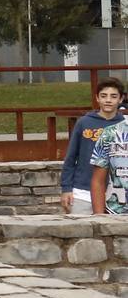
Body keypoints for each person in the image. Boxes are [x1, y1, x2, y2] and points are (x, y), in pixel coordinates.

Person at [61, 78, 125, 215]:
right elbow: (70, 158)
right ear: (97, 98)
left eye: (113, 96)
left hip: (117, 195)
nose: (108, 100)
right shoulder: (84, 123)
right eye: (104, 96)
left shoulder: (124, 126)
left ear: (121, 99)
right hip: (82, 191)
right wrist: (66, 189)